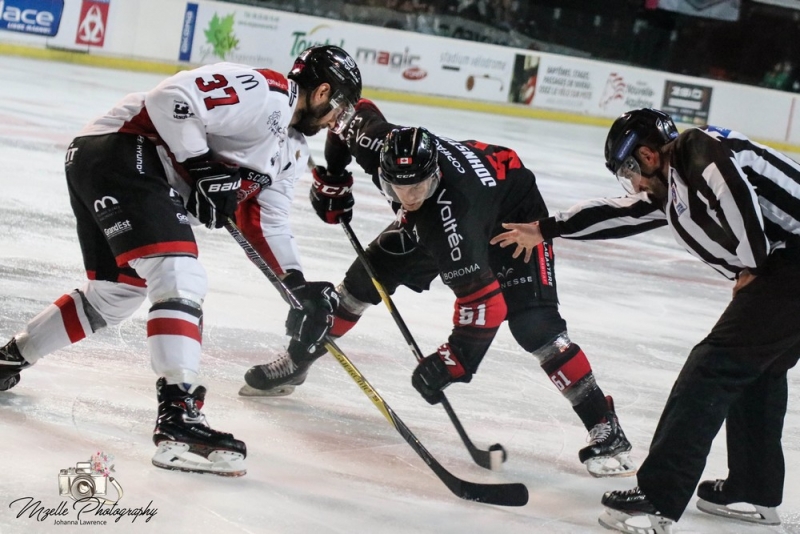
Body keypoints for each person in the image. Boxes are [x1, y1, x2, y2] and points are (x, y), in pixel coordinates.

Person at [0, 45, 362, 476]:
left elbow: (266, 221)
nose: (335, 121)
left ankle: (9, 359)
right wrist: (201, 165)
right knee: (179, 272)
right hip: (124, 148)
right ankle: (180, 419)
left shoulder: (293, 150)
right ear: (322, 92)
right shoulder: (266, 91)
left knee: (115, 294)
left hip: (111, 162)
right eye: (339, 107)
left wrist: (297, 285)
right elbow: (170, 99)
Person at [240, 99, 637, 478]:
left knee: (536, 327)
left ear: (435, 176)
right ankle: (297, 361)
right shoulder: (379, 143)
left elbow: (486, 306)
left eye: (418, 187)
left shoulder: (454, 223)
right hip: (457, 203)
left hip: (514, 220)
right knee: (363, 279)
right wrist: (336, 177)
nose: (408, 197)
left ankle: (605, 426)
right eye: (398, 188)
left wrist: (454, 360)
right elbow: (348, 115)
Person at [490, 108, 800, 532]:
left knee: (711, 368)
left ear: (649, 155)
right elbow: (618, 213)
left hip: (789, 263)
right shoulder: (675, 185)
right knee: (759, 369)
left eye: (630, 170)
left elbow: (737, 198)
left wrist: (753, 266)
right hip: (785, 264)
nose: (633, 183)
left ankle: (657, 499)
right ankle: (753, 489)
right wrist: (545, 229)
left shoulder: (699, 150)